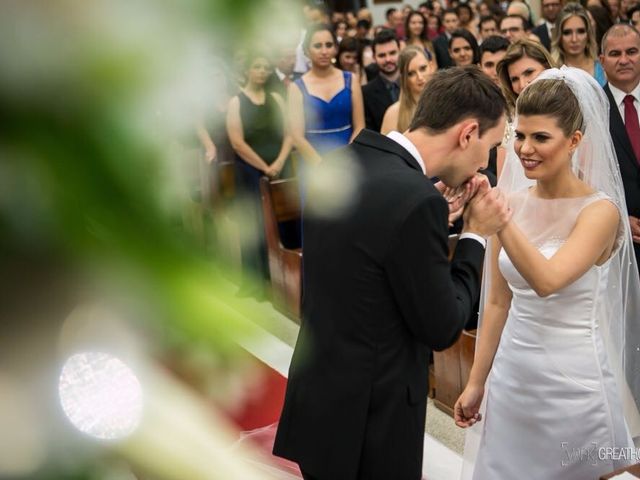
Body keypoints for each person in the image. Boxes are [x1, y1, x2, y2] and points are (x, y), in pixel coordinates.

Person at [273, 66, 511, 480]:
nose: (484, 162)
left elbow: (366, 258)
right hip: (372, 416)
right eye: (490, 146)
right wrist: (473, 235)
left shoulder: (342, 161)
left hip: (319, 394)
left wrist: (434, 216)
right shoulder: (416, 201)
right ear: (467, 133)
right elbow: (442, 326)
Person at [456, 67, 640, 479]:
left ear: (574, 141)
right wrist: (477, 382)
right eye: (520, 135)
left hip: (575, 385)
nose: (525, 149)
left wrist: (500, 220)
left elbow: (547, 281)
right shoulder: (513, 202)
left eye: (541, 137)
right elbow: (499, 301)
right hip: (513, 378)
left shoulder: (601, 212)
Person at [226, 52, 292, 298]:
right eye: (257, 67)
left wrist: (279, 162)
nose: (262, 71)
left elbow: (288, 133)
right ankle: (258, 279)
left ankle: (284, 275)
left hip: (278, 167)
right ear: (248, 71)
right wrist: (264, 167)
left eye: (266, 67)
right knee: (256, 224)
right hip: (250, 171)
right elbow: (237, 143)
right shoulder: (237, 102)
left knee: (282, 220)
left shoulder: (276, 98)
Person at [289, 24, 364, 167]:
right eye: (317, 46)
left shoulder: (351, 79)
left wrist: (348, 156)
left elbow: (360, 125)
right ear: (306, 50)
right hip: (313, 162)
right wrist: (321, 164)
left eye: (329, 45)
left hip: (348, 157)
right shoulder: (296, 88)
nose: (324, 51)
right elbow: (297, 136)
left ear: (336, 48)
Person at [601, 24, 640, 275]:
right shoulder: (591, 109)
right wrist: (616, 220)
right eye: (615, 54)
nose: (624, 60)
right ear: (601, 60)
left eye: (632, 51)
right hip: (619, 246)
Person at [381, 46, 435, 134]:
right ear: (403, 78)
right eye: (411, 74)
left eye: (423, 68)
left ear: (431, 66)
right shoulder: (393, 114)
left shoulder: (447, 101)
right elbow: (384, 147)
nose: (420, 77)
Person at [552, 2, 607, 85]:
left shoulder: (604, 69)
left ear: (588, 34)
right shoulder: (551, 71)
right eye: (567, 32)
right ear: (559, 36)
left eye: (581, 31)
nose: (574, 39)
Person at [362, 29, 400, 132]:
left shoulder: (414, 83)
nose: (388, 59)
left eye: (392, 53)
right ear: (374, 57)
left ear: (400, 52)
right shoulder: (366, 93)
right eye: (382, 55)